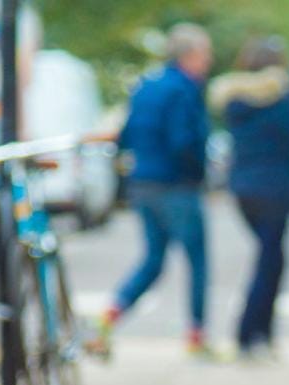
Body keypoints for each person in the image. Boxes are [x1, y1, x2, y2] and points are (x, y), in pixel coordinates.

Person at [94, 23, 213, 360]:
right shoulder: (184, 89)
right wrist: (199, 173)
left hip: (143, 183)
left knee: (153, 260)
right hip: (177, 185)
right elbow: (184, 141)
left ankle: (109, 316)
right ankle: (196, 336)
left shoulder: (146, 86)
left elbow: (127, 135)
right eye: (205, 54)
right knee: (197, 262)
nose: (208, 62)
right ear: (189, 56)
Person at [209, 36, 289, 361]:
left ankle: (259, 335)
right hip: (275, 189)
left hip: (244, 189)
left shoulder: (234, 100)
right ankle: (251, 335)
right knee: (272, 261)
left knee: (269, 258)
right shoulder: (281, 98)